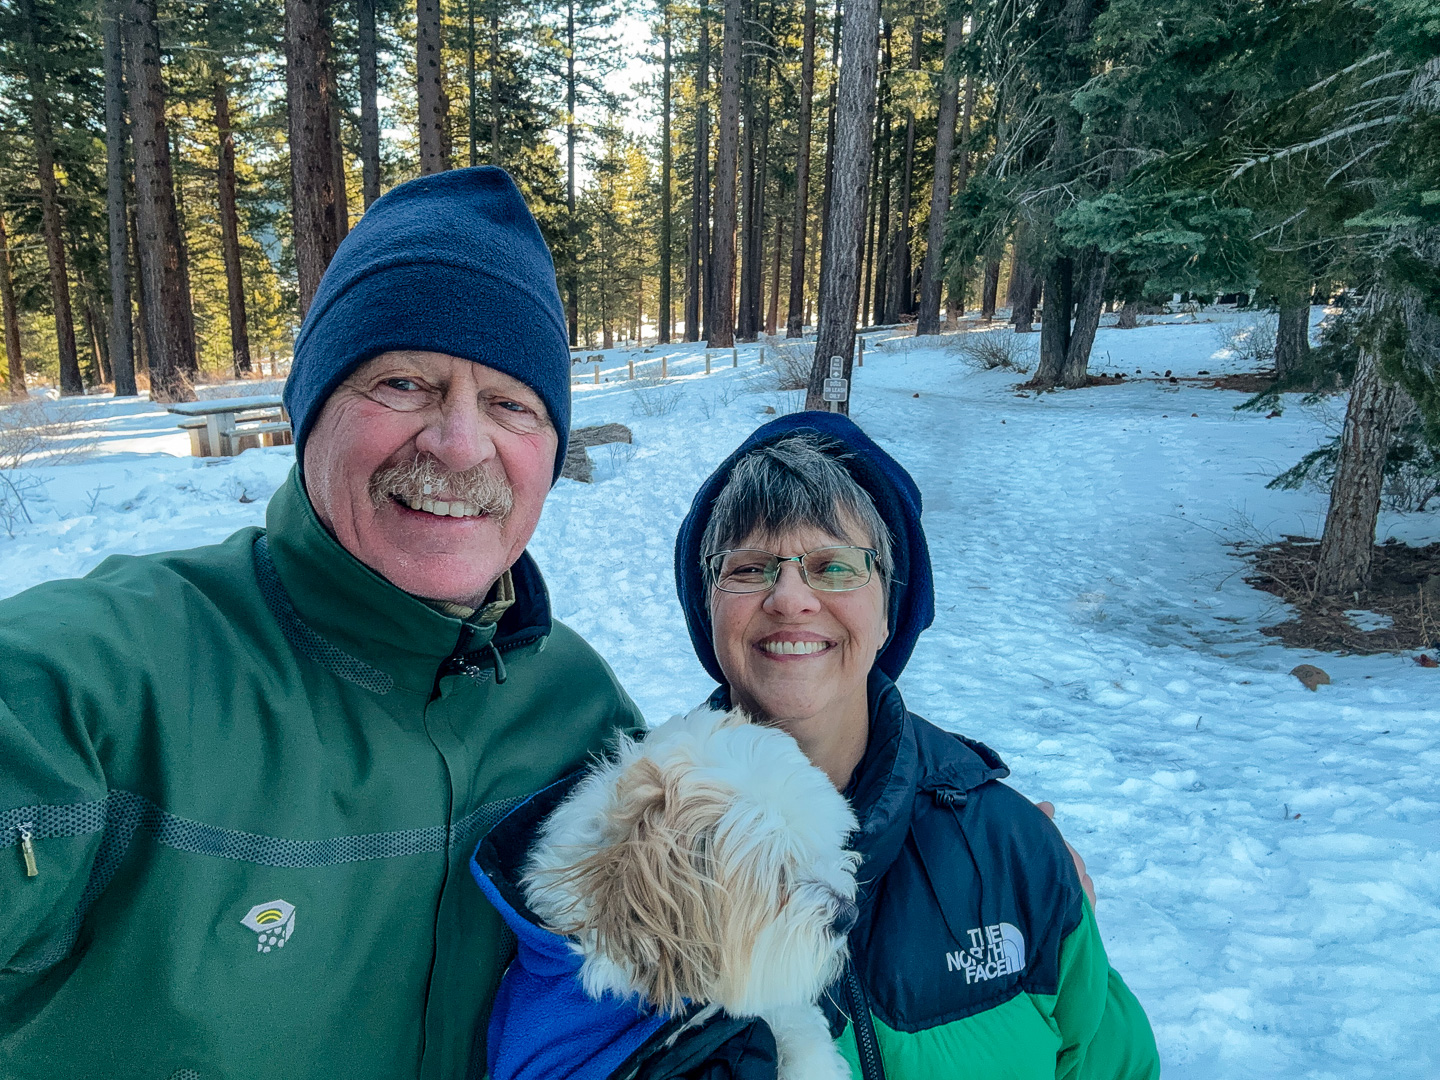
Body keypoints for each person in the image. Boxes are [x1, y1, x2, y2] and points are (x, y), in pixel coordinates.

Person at [0, 167, 642, 1080]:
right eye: (405, 383)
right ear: (310, 414)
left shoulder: (581, 712)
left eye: (511, 403)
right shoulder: (105, 684)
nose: (461, 444)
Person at [668, 412, 1160, 1079]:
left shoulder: (1013, 852)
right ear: (709, 608)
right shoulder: (630, 859)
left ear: (889, 611)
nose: (790, 598)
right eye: (750, 567)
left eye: (834, 566)